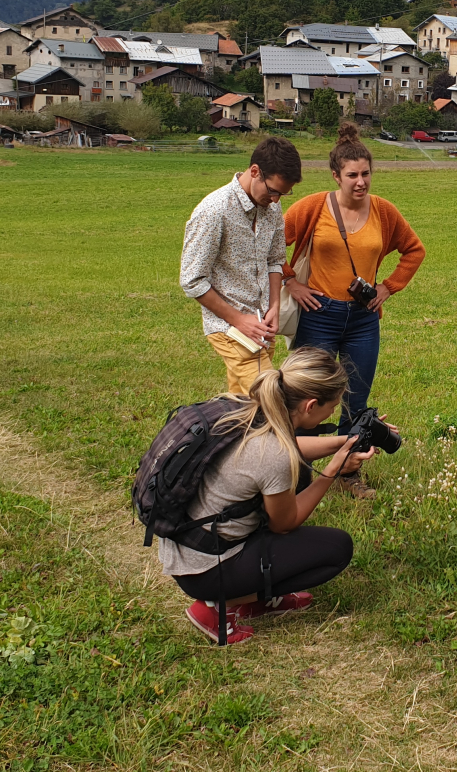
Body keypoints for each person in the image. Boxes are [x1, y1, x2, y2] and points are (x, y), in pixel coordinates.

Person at [159, 347, 378, 645]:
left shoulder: (242, 406)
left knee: (296, 476)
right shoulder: (272, 455)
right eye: (334, 406)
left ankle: (251, 595)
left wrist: (345, 442)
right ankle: (219, 607)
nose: (334, 412)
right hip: (205, 569)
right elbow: (285, 523)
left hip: (186, 545)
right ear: (311, 405)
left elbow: (286, 447)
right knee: (336, 549)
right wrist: (333, 470)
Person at [281, 123, 425, 498]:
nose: (360, 182)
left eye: (366, 174)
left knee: (356, 398)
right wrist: (290, 281)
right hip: (319, 313)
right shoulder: (313, 207)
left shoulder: (383, 211)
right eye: (352, 175)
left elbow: (414, 250)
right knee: (306, 395)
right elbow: (270, 244)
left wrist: (387, 287)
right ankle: (295, 476)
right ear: (335, 175)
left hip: (363, 319)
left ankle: (348, 474)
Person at [181, 136, 303, 394]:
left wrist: (274, 307)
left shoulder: (271, 209)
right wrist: (239, 320)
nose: (277, 200)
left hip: (261, 327)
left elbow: (274, 260)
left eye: (283, 193)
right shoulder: (214, 210)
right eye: (273, 191)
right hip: (229, 329)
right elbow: (192, 280)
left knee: (243, 409)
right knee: (273, 401)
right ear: (255, 171)